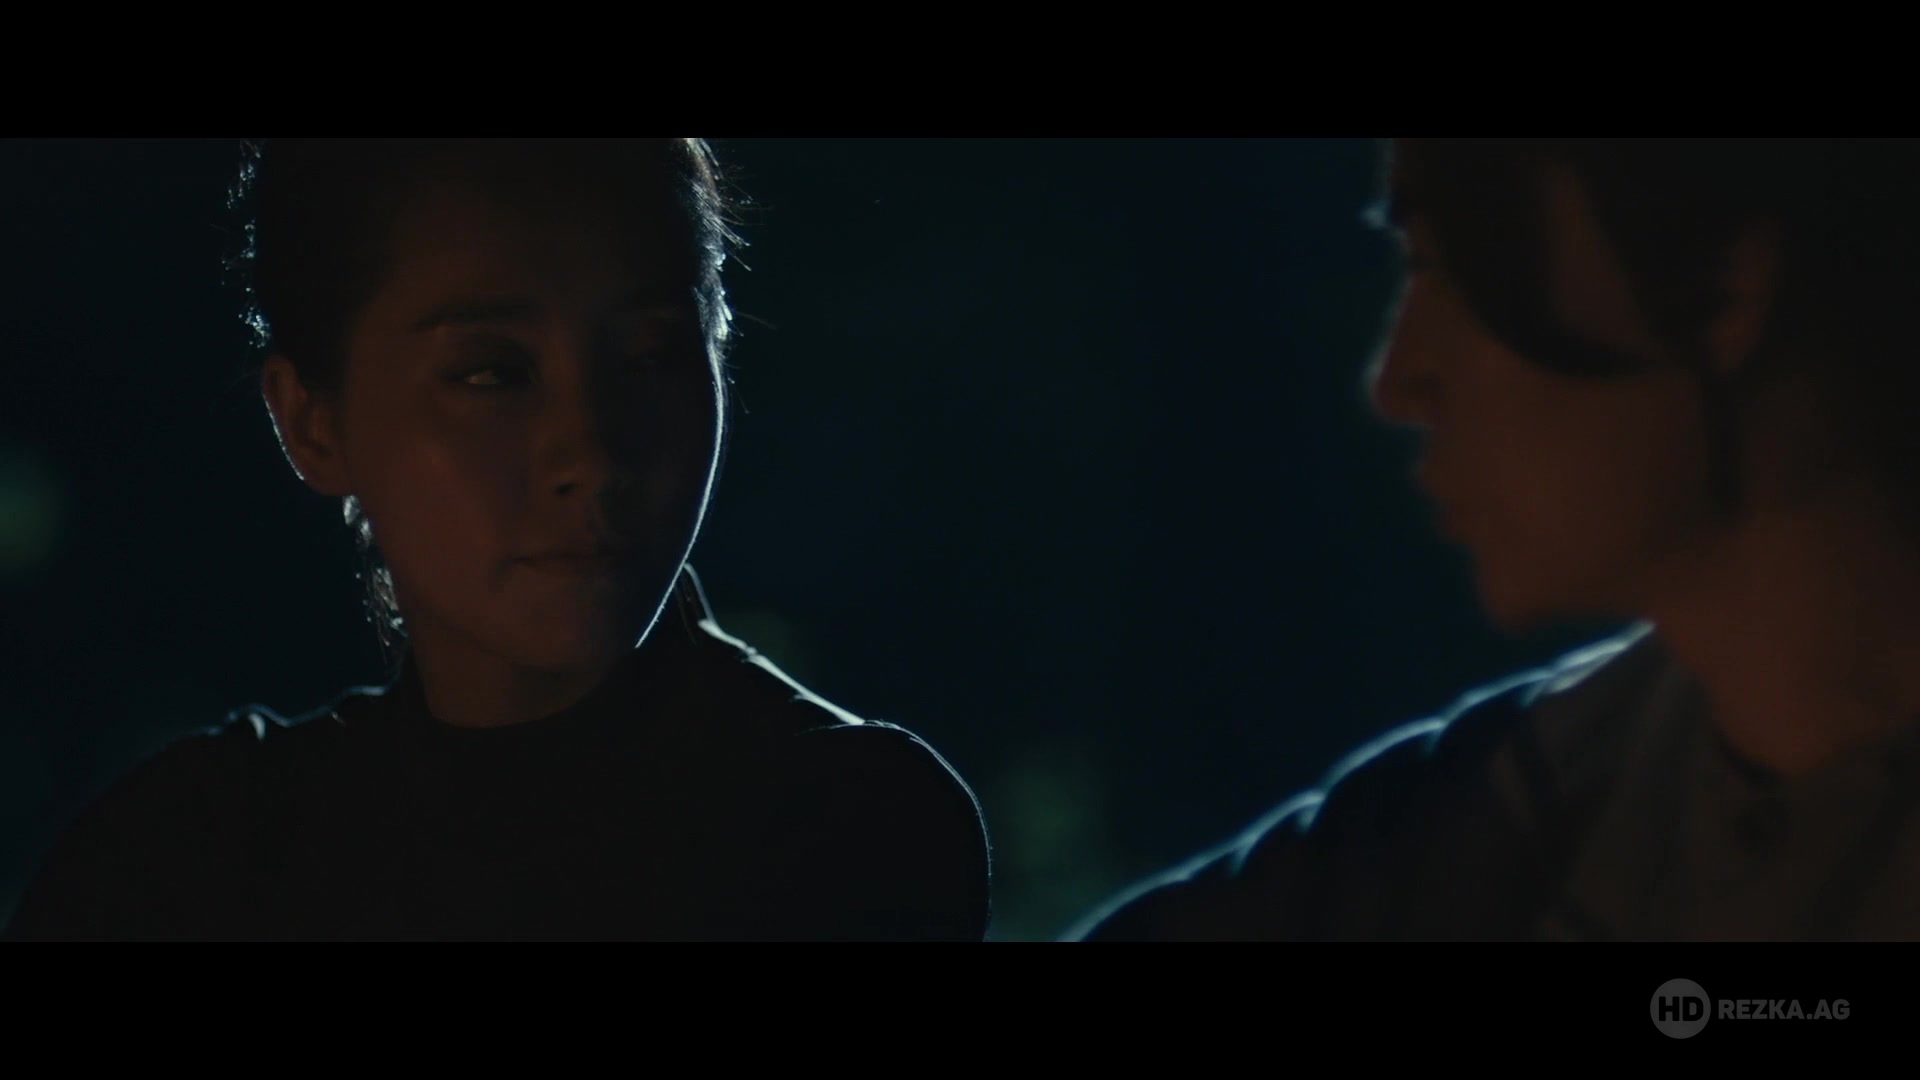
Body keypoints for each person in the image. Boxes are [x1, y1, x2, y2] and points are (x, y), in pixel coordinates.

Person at [4, 139, 990, 941]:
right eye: (491, 374)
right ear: (312, 423)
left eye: (651, 354)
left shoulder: (842, 823)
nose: (591, 454)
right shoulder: (187, 859)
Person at [1073, 138, 1920, 941]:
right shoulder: (1499, 828)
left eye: (1447, 266)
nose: (1398, 381)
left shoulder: (1529, 828)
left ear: (1727, 281)